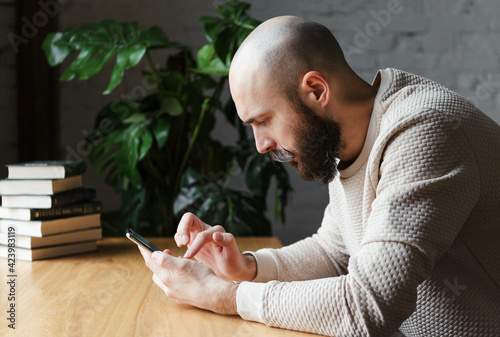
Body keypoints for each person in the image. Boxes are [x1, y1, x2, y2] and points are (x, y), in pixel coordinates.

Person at [138, 16, 500, 337]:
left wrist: (225, 295)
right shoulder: (345, 138)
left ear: (316, 91)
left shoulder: (424, 132)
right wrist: (246, 267)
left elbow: (368, 306)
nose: (260, 145)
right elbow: (334, 251)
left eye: (263, 121)